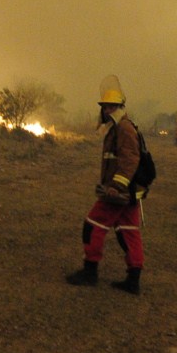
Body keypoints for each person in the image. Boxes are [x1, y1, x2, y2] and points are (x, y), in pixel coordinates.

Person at [65, 75, 146, 294]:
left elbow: (130, 160)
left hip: (117, 192)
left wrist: (116, 187)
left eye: (111, 106)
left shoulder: (124, 128)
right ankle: (133, 280)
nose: (107, 110)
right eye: (105, 106)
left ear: (120, 106)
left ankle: (90, 272)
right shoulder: (117, 127)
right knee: (128, 232)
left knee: (92, 226)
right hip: (128, 193)